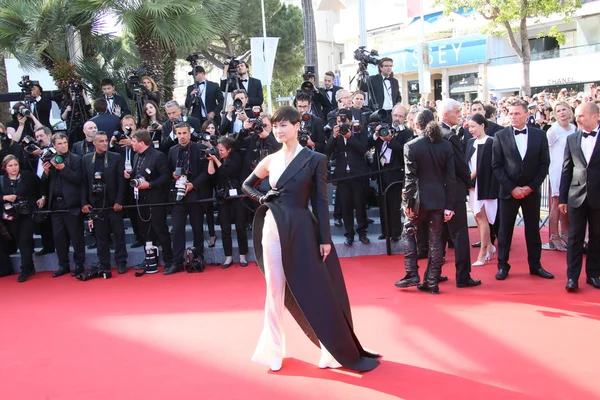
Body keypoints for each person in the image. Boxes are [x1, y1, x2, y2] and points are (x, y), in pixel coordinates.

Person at [241, 105, 379, 372]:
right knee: (274, 289)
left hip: (303, 229)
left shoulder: (315, 159)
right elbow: (246, 185)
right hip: (272, 227)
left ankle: (331, 350)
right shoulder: (270, 160)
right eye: (276, 125)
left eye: (284, 125)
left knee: (316, 291)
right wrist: (261, 198)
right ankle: (274, 350)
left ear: (296, 126)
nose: (279, 130)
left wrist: (325, 239)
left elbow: (320, 200)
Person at [394, 109, 456, 294]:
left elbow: (410, 178)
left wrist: (407, 203)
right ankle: (431, 281)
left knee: (408, 232)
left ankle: (412, 273)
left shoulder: (411, 146)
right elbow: (450, 178)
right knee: (436, 240)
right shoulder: (445, 146)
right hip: (439, 200)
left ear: (417, 125)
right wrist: (450, 206)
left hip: (418, 201)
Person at [492, 98, 552, 281]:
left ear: (527, 115)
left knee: (533, 231)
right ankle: (503, 265)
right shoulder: (500, 136)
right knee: (504, 231)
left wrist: (531, 187)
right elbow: (496, 166)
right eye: (510, 113)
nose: (513, 117)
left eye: (517, 113)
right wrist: (512, 188)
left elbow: (544, 164)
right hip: (508, 192)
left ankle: (535, 265)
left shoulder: (540, 135)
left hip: (531, 192)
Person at [559, 102, 600, 291]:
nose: (578, 119)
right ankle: (572, 278)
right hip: (576, 195)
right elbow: (566, 169)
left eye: (582, 115)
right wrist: (562, 199)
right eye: (577, 115)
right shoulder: (572, 139)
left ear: (596, 116)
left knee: (597, 237)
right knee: (574, 238)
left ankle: (593, 274)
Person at [81, 132, 128, 275]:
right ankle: (104, 264)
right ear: (94, 143)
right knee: (100, 238)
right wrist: (84, 202)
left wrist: (119, 201)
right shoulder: (86, 159)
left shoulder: (115, 157)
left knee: (119, 235)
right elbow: (83, 183)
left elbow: (122, 182)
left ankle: (121, 262)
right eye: (100, 141)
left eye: (106, 141)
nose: (104, 143)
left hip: (113, 204)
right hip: (96, 205)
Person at [42, 133, 86, 278]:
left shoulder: (76, 159)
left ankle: (79, 265)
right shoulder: (49, 158)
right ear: (54, 145)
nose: (63, 145)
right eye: (59, 143)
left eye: (65, 142)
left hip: (71, 204)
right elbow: (44, 182)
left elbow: (79, 179)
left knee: (76, 237)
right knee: (59, 238)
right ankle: (63, 265)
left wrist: (62, 168)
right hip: (55, 205)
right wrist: (46, 172)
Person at [1, 155, 45, 282]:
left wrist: (42, 197)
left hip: (27, 213)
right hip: (10, 216)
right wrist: (5, 198)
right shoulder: (1, 180)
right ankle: (29, 266)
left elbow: (41, 185)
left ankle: (25, 269)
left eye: (15, 165)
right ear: (5, 168)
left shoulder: (27, 176)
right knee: (19, 241)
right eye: (10, 165)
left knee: (24, 240)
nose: (14, 168)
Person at [206, 136, 248, 268]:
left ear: (229, 150)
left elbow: (226, 171)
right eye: (218, 149)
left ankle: (243, 256)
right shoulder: (216, 158)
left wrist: (217, 161)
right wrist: (211, 160)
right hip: (222, 197)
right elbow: (211, 175)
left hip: (237, 196)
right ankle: (228, 257)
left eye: (222, 150)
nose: (219, 152)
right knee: (225, 229)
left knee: (240, 227)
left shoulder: (236, 158)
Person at [466, 114, 498, 266]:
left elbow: (482, 166)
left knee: (482, 217)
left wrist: (467, 178)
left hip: (485, 185)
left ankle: (483, 252)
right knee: (478, 217)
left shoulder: (491, 142)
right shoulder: (470, 142)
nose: (470, 130)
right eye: (469, 127)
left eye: (473, 126)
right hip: (472, 186)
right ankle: (490, 246)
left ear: (482, 125)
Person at [547, 101, 575, 251]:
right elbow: (546, 152)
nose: (562, 113)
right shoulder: (553, 131)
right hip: (557, 170)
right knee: (556, 204)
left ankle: (566, 233)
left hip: (571, 170)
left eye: (564, 109)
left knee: (567, 203)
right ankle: (554, 236)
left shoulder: (574, 128)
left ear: (570, 111)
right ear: (555, 114)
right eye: (558, 111)